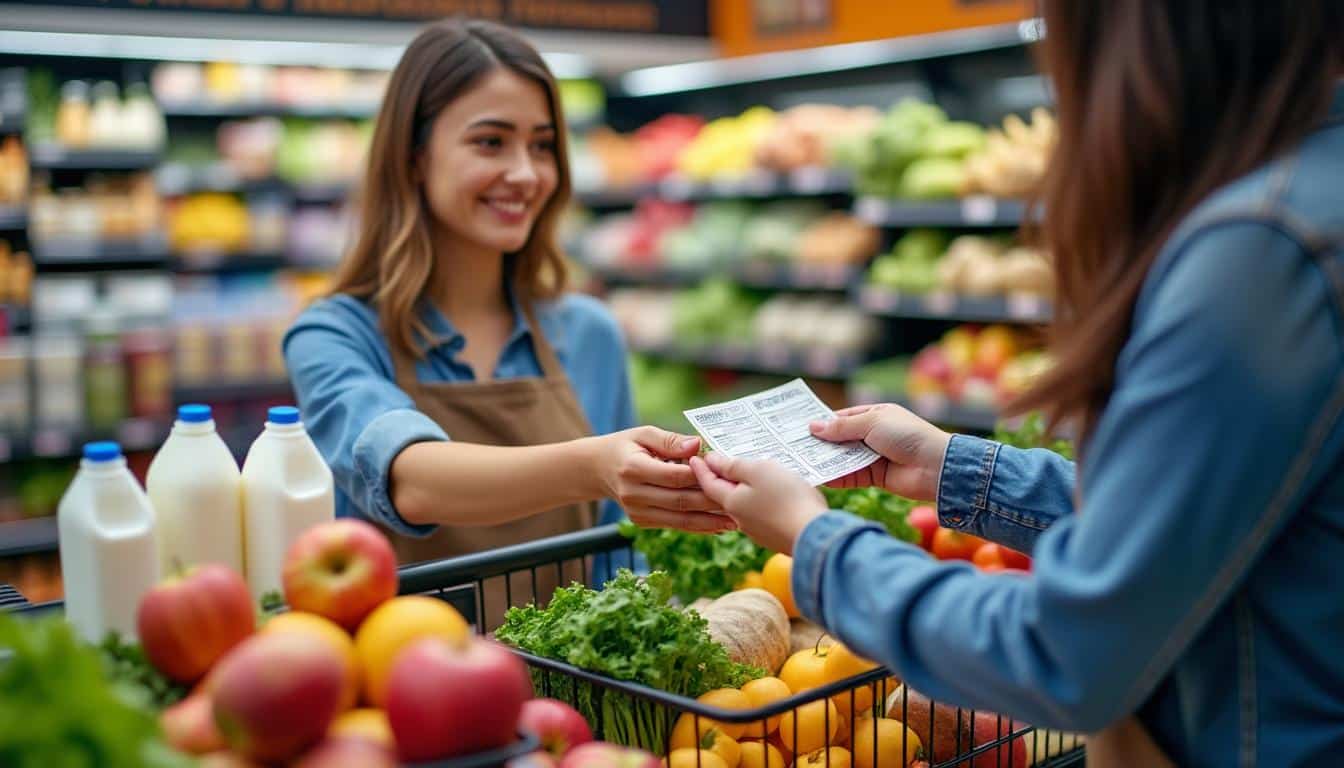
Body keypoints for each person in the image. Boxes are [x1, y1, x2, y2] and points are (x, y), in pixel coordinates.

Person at [689, 2, 1344, 765]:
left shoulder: (1258, 255)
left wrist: (817, 542)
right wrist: (955, 469)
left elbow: (1071, 651)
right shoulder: (1307, 198)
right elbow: (1193, 516)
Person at [283, 19, 731, 606]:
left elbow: (618, 554)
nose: (525, 173)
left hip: (572, 686)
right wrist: (595, 465)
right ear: (414, 157)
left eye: (542, 145)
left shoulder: (588, 333)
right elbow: (409, 480)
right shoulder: (335, 336)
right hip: (397, 684)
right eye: (491, 141)